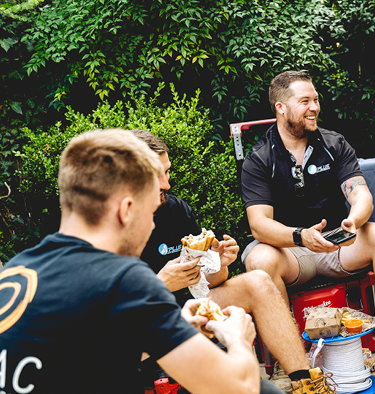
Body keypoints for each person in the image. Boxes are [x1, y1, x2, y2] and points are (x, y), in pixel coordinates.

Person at [0, 129, 270, 393]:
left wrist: (171, 330)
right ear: (126, 210)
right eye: (151, 212)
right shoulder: (123, 280)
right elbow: (240, 387)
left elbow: (77, 355)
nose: (153, 226)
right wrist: (238, 338)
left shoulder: (14, 273)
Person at [240, 70, 375, 382]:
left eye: (316, 99)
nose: (315, 107)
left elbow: (360, 193)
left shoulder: (333, 144)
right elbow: (259, 225)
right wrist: (300, 236)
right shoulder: (259, 158)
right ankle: (298, 363)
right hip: (292, 252)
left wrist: (356, 218)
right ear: (281, 108)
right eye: (305, 101)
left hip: (338, 245)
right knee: (258, 259)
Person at [132, 129, 332, 394]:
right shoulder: (111, 228)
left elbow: (207, 281)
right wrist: (162, 284)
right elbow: (107, 319)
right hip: (145, 328)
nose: (167, 184)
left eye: (167, 172)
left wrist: (220, 263)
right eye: (157, 175)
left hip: (191, 306)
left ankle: (306, 382)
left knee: (258, 281)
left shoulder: (175, 209)